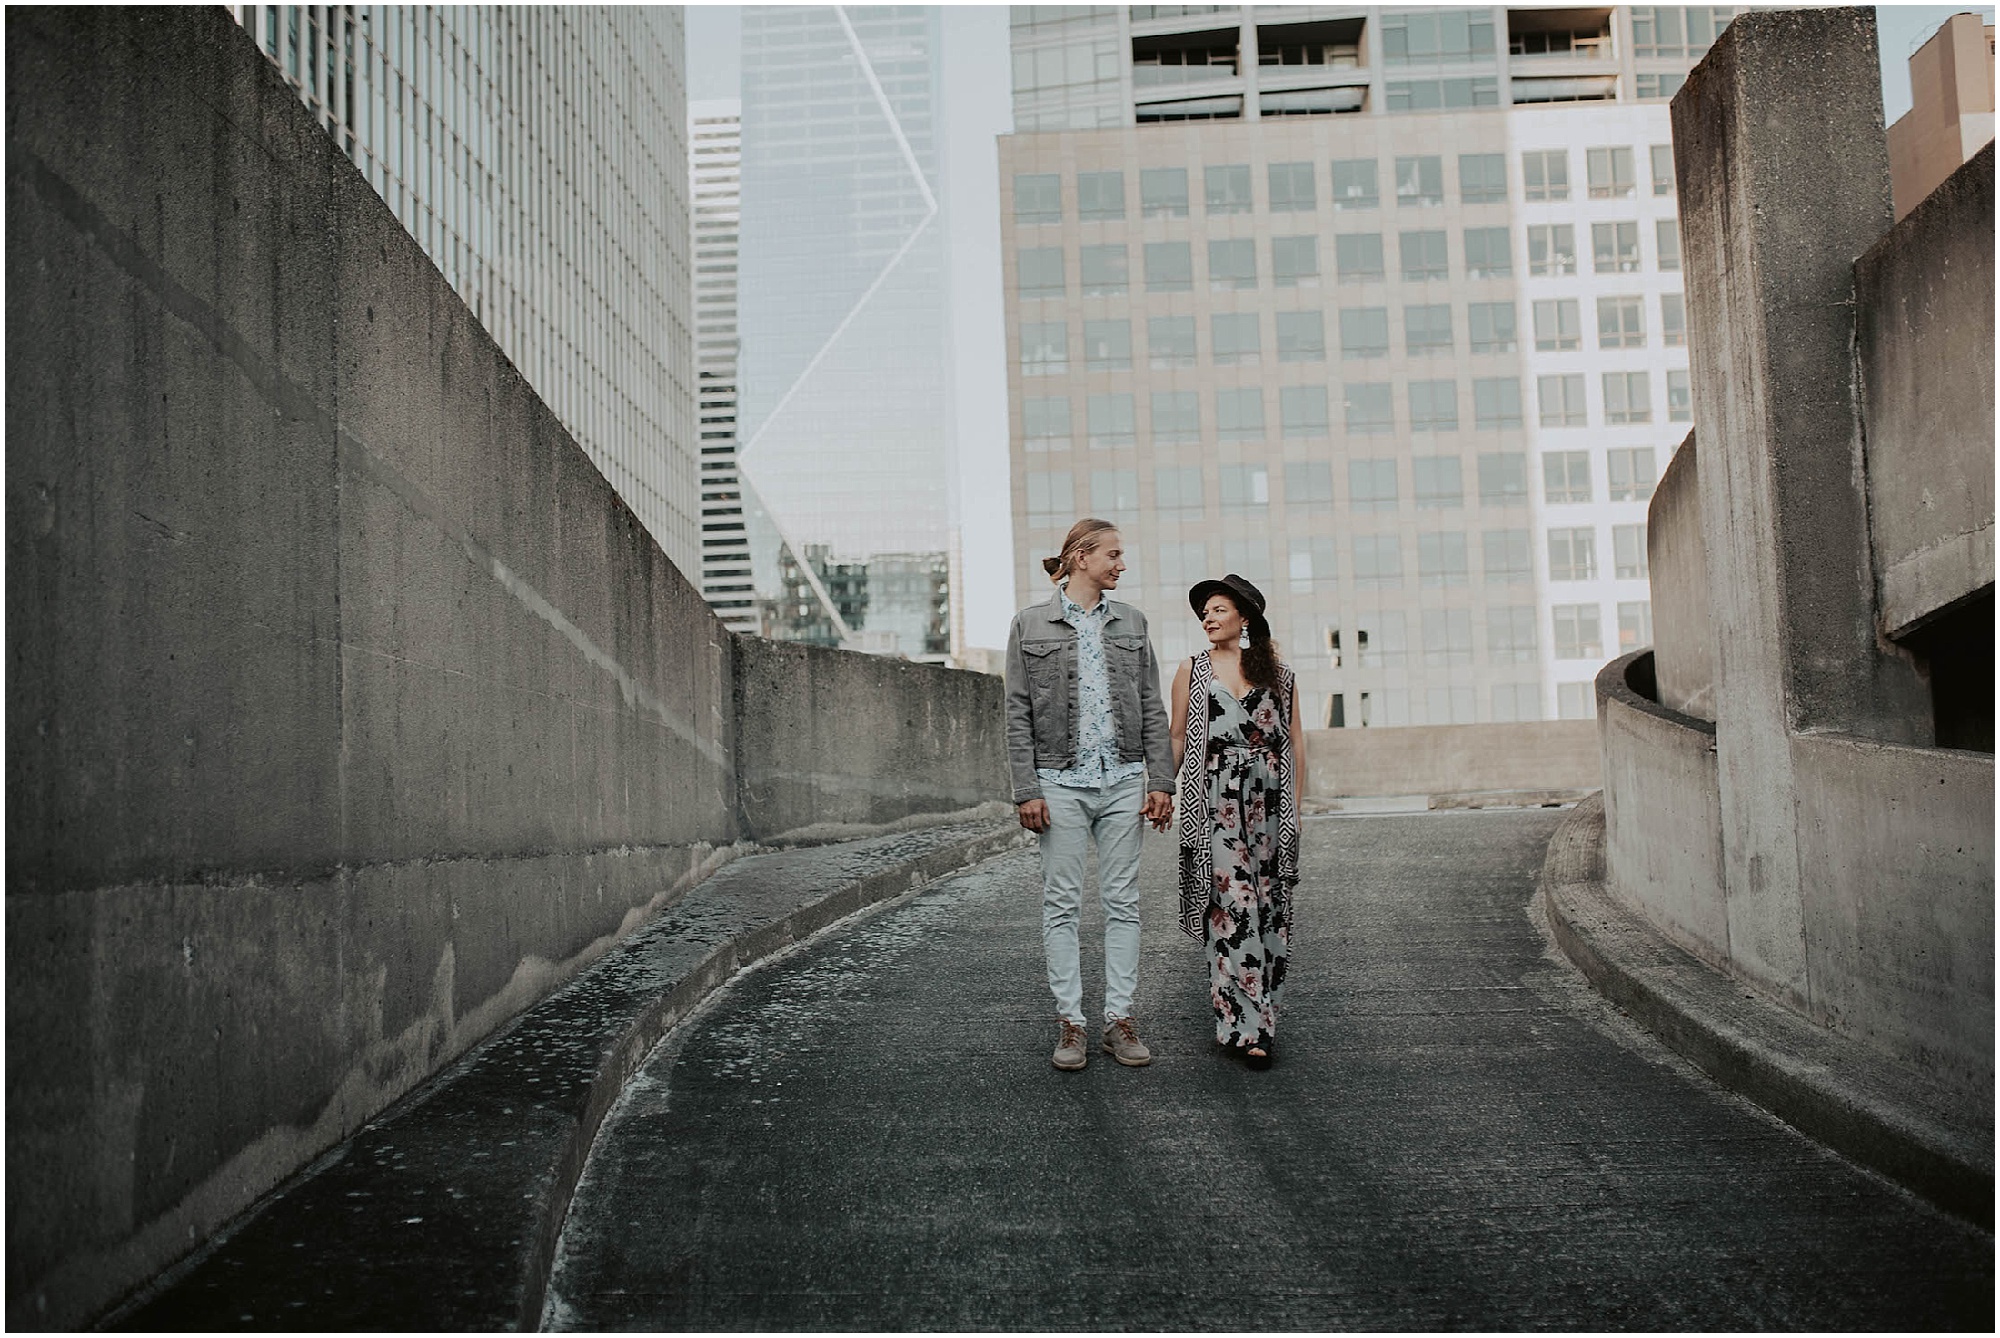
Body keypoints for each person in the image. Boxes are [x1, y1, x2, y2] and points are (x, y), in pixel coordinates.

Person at [1004, 518, 1174, 1072]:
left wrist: (1161, 780)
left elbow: (1151, 705)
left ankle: (1119, 1021)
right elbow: (1017, 712)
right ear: (1080, 557)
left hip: (1124, 779)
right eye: (1114, 554)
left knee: (1123, 903)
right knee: (1062, 905)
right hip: (1059, 782)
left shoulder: (1133, 622)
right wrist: (1026, 789)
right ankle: (1071, 1024)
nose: (1122, 564)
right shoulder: (1030, 624)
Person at [1169, 574, 1303, 1070]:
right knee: (1233, 905)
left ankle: (1261, 1018)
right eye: (1204, 611)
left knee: (1269, 907)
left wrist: (1296, 811)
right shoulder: (1192, 669)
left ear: (1244, 617)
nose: (1208, 617)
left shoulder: (1278, 674)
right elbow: (1179, 736)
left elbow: (1294, 744)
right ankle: (1245, 1028)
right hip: (1215, 801)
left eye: (1219, 609)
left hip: (1268, 804)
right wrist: (1162, 789)